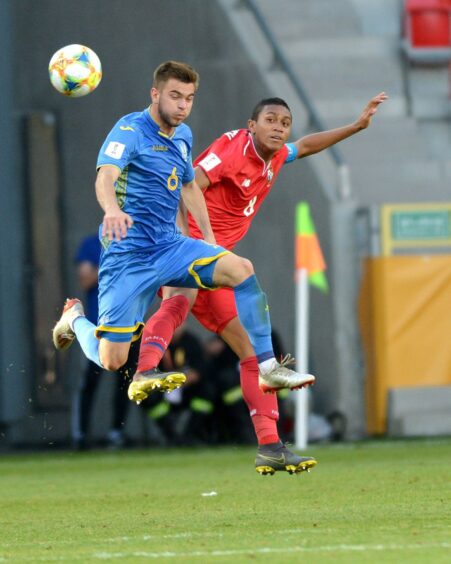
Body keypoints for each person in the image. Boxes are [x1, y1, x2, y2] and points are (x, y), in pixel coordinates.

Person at [52, 60, 314, 464]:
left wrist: (208, 240)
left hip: (172, 245)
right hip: (127, 255)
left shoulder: (184, 135)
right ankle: (75, 320)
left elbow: (189, 185)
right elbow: (105, 176)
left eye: (189, 98)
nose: (183, 106)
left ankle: (267, 367)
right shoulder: (128, 130)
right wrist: (111, 210)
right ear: (155, 94)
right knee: (111, 359)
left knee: (240, 268)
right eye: (175, 96)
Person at [134, 91, 388, 475]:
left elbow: (306, 146)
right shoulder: (233, 148)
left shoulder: (274, 158)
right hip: (192, 247)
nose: (279, 128)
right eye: (270, 120)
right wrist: (191, 244)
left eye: (284, 123)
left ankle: (270, 446)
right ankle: (145, 370)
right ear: (252, 125)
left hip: (215, 261)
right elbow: (188, 188)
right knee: (186, 297)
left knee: (247, 352)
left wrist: (357, 126)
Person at [71, 234, 134, 450]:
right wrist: (114, 266)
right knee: (89, 383)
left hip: (129, 325)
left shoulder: (136, 238)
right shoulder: (93, 243)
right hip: (97, 327)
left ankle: (117, 432)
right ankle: (80, 435)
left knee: (125, 382)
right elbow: (85, 279)